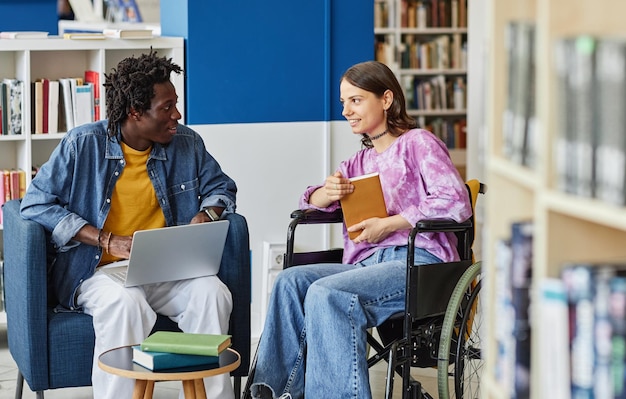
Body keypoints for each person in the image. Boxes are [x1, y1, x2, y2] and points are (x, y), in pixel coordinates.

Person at [20, 51, 237, 399]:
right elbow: (35, 203)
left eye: (175, 104)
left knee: (213, 294)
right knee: (126, 303)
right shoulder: (82, 145)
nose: (176, 115)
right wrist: (107, 241)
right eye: (166, 107)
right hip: (98, 272)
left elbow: (221, 187)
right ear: (136, 112)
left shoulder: (187, 143)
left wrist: (207, 213)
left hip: (167, 269)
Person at [249, 60, 472, 399]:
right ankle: (273, 392)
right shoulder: (356, 165)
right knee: (289, 281)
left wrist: (391, 224)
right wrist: (328, 192)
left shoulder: (418, 144)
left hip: (418, 262)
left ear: (385, 99)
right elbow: (309, 203)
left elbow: (456, 201)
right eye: (343, 103)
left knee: (329, 294)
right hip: (365, 266)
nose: (346, 111)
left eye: (355, 100)